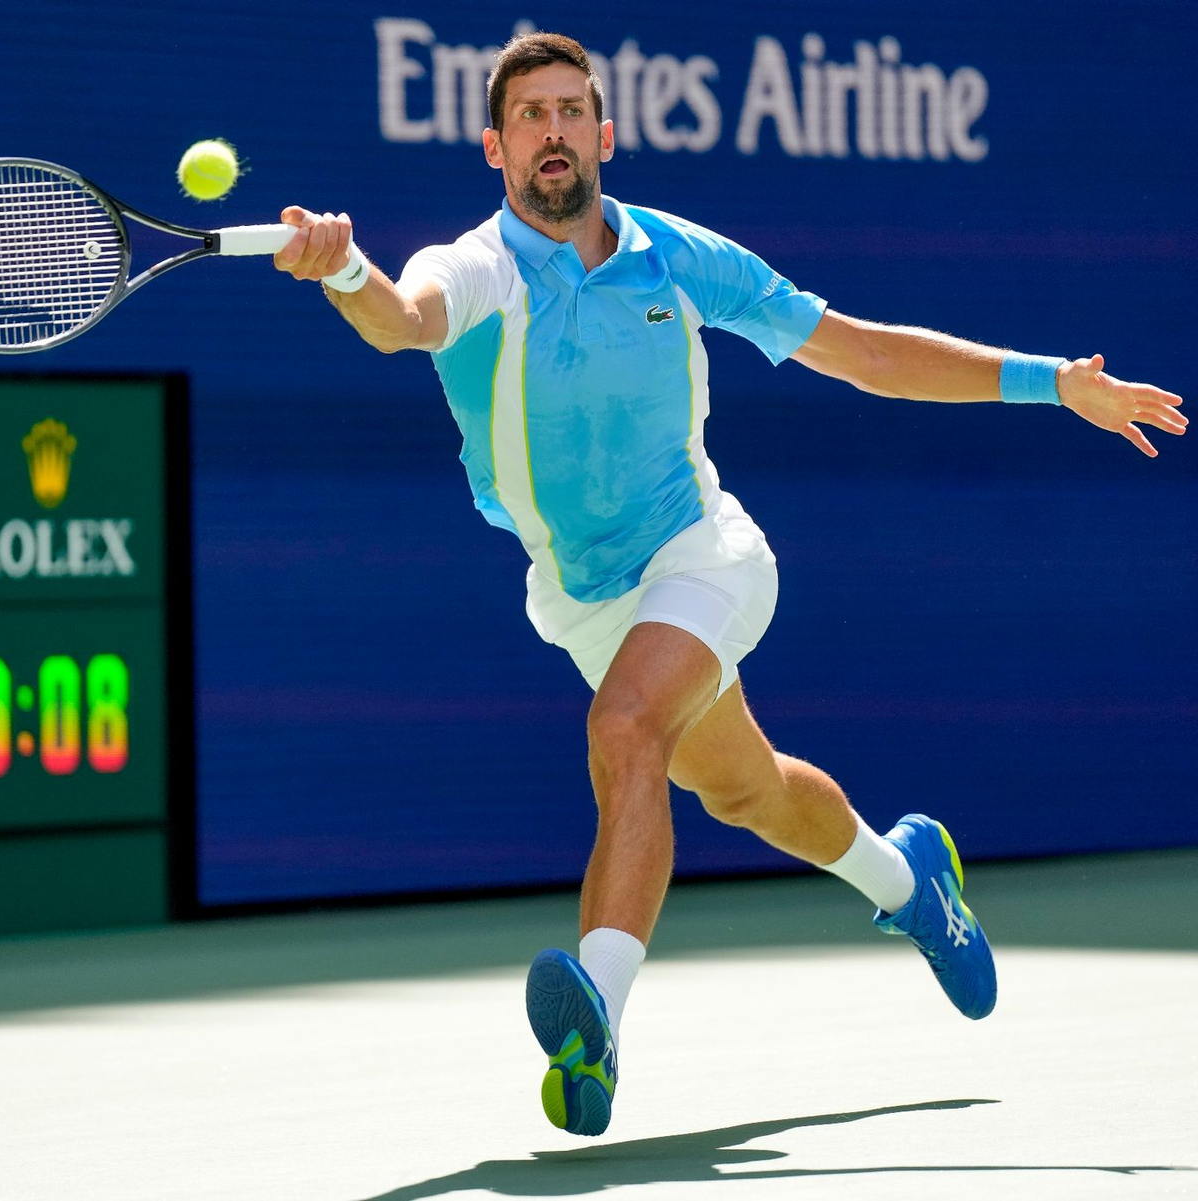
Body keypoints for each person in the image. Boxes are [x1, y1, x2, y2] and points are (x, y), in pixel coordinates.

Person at [274, 32, 1186, 1138]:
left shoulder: (679, 257)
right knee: (748, 790)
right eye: (530, 116)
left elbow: (859, 351)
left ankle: (594, 1026)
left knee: (626, 725)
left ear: (604, 136)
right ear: (495, 147)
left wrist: (1051, 385)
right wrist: (348, 271)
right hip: (585, 596)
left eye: (571, 111)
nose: (553, 131)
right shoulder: (480, 267)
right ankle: (908, 879)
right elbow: (403, 318)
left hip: (703, 553)